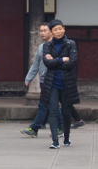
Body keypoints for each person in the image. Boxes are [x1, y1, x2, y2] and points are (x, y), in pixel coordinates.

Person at [42, 19, 78, 149]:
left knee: (66, 112)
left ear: (64, 29)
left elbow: (72, 62)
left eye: (60, 29)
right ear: (51, 32)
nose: (58, 31)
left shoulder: (70, 44)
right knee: (53, 111)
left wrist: (55, 62)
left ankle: (66, 137)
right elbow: (47, 63)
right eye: (55, 29)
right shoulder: (47, 45)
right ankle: (55, 141)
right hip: (52, 82)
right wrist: (62, 59)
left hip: (67, 82)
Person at [20, 23, 53, 137]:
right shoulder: (41, 47)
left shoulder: (56, 46)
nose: (42, 33)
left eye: (45, 30)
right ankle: (61, 128)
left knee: (44, 104)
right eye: (40, 31)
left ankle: (35, 127)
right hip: (43, 79)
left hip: (53, 79)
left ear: (51, 31)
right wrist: (29, 77)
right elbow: (36, 64)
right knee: (50, 105)